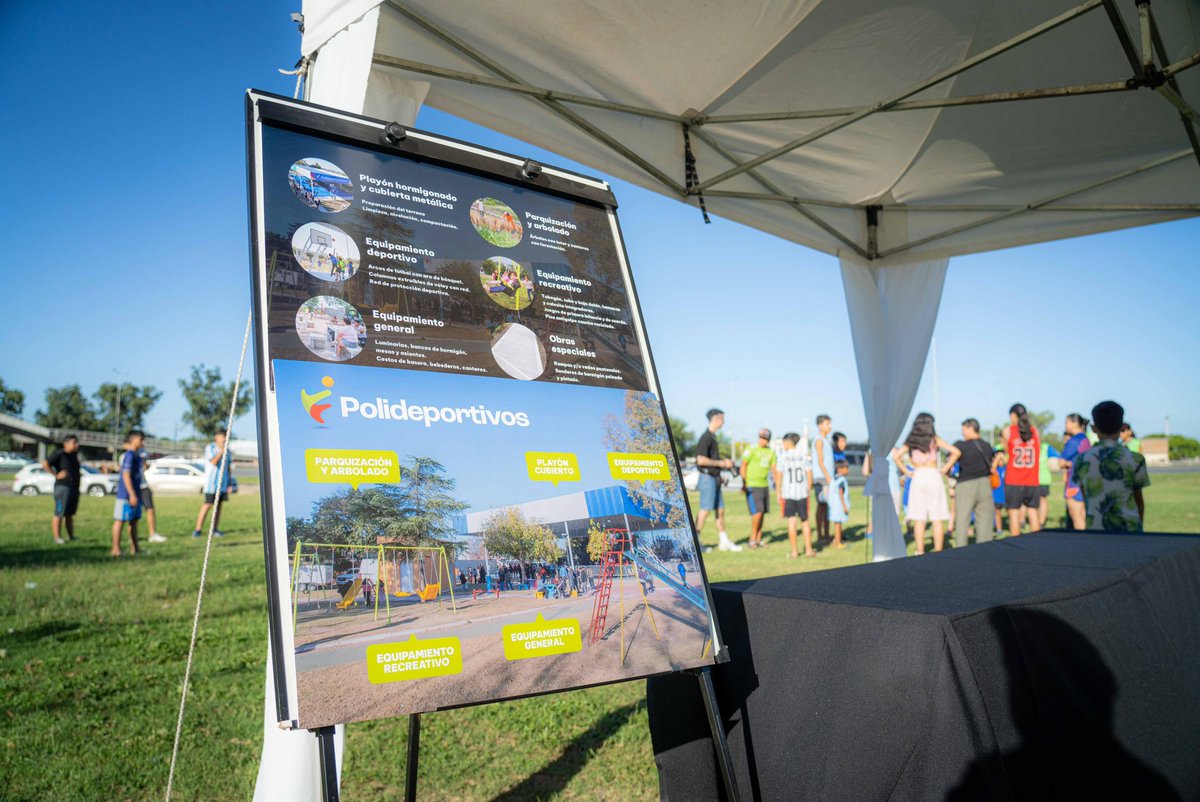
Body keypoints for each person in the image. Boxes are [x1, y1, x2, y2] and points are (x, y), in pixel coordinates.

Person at [1073, 401, 1150, 532]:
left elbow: (1086, 498)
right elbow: (1139, 502)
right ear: (1121, 427)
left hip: (1096, 529)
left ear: (1093, 428)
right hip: (1129, 530)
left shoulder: (1082, 459)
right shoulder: (1136, 459)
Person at [893, 413, 960, 554]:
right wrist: (945, 468)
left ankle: (920, 550)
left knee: (919, 517)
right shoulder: (934, 439)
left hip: (918, 475)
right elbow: (956, 452)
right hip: (933, 475)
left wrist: (906, 471)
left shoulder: (911, 440)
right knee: (937, 518)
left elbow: (896, 456)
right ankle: (938, 550)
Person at [694, 409, 740, 551]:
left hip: (715, 478)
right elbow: (700, 460)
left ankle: (724, 541)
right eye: (722, 418)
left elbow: (711, 459)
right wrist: (721, 464)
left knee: (720, 510)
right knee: (705, 510)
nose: (724, 421)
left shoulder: (713, 437)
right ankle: (695, 543)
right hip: (707, 478)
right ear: (716, 419)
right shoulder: (706, 437)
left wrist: (723, 461)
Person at [951, 419, 1000, 547]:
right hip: (985, 484)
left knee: (962, 520)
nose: (962, 433)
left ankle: (961, 550)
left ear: (970, 428)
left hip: (965, 485)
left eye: (964, 429)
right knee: (985, 521)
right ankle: (984, 551)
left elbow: (950, 461)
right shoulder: (987, 445)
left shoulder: (960, 445)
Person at [1003, 403, 1042, 537]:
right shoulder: (1035, 431)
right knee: (1033, 512)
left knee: (1014, 513)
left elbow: (1007, 452)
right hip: (1032, 480)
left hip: (1014, 480)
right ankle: (1037, 545)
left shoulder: (1008, 431)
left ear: (1014, 415)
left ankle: (1017, 545)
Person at [775, 432, 814, 558]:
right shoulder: (803, 455)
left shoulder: (782, 457)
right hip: (802, 492)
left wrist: (778, 492)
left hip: (788, 493)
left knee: (791, 521)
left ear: (788, 442)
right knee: (805, 521)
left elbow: (779, 476)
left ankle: (794, 552)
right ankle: (809, 550)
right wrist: (809, 488)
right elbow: (809, 474)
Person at [740, 428, 776, 548]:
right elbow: (743, 466)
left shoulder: (771, 452)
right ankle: (752, 539)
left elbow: (774, 469)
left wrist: (777, 483)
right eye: (761, 437)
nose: (762, 440)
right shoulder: (751, 449)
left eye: (765, 438)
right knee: (757, 512)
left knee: (763, 513)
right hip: (752, 485)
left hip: (764, 485)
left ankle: (758, 539)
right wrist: (744, 483)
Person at [193, 428, 232, 538]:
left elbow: (228, 467)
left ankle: (215, 529)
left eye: (226, 436)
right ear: (217, 437)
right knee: (208, 505)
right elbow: (213, 462)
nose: (224, 438)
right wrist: (221, 452)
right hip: (211, 484)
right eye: (222, 436)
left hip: (223, 484)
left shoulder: (228, 451)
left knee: (219, 506)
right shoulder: (210, 448)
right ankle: (198, 530)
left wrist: (229, 483)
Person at [111, 430, 145, 557]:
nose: (143, 442)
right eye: (141, 439)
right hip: (126, 496)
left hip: (135, 494)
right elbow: (125, 475)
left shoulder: (136, 454)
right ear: (134, 439)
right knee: (120, 520)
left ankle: (135, 548)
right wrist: (131, 494)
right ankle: (115, 549)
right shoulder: (129, 455)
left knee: (134, 521)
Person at [44, 435, 81, 545]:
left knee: (69, 514)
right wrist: (56, 475)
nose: (76, 445)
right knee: (59, 512)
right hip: (62, 489)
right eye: (74, 442)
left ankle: (71, 536)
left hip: (73, 488)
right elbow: (45, 463)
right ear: (66, 443)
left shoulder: (74, 455)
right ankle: (57, 537)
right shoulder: (60, 454)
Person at [1059, 413, 1092, 530]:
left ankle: (1082, 545)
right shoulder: (1085, 439)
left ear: (1074, 423)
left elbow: (1061, 462)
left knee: (1076, 517)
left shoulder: (1073, 441)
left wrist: (1066, 464)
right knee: (1082, 516)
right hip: (1085, 482)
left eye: (1066, 422)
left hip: (1074, 483)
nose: (1065, 425)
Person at [810, 415, 834, 541]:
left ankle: (827, 534)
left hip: (828, 478)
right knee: (821, 506)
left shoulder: (827, 440)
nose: (829, 426)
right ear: (820, 425)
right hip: (822, 478)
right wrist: (827, 477)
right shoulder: (818, 440)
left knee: (827, 507)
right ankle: (820, 535)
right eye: (827, 424)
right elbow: (820, 461)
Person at [138, 446, 166, 543]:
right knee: (133, 515)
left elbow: (145, 467)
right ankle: (132, 537)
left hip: (144, 486)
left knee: (150, 509)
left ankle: (152, 534)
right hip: (135, 487)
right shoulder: (127, 456)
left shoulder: (143, 451)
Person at [1036, 438, 1062, 528]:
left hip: (1043, 479)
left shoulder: (1046, 448)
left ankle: (1041, 522)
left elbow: (1059, 457)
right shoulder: (1030, 446)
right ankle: (1035, 520)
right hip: (1031, 479)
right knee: (1034, 501)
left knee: (1042, 500)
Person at [828, 459, 851, 549]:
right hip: (839, 507)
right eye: (846, 468)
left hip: (833, 506)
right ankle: (838, 542)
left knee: (836, 524)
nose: (848, 470)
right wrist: (844, 506)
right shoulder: (842, 480)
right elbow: (841, 493)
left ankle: (835, 540)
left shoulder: (833, 479)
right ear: (839, 469)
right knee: (838, 525)